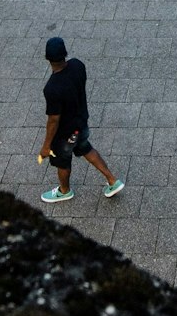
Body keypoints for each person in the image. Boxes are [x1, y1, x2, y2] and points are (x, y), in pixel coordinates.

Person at [37, 37, 123, 203]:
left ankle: (64, 191)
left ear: (47, 58)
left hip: (66, 134)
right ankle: (112, 181)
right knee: (85, 148)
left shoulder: (52, 88)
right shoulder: (78, 65)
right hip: (81, 123)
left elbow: (54, 120)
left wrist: (46, 146)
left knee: (62, 161)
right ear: (65, 54)